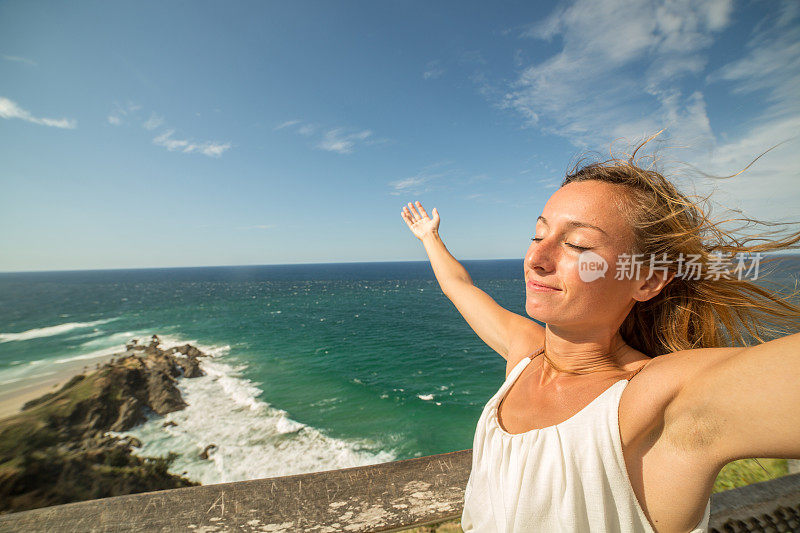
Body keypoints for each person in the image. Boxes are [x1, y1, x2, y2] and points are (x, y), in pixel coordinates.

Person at [400, 136, 800, 532]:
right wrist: (429, 236)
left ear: (646, 282)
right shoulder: (526, 354)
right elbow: (461, 288)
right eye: (538, 235)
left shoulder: (658, 401)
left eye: (577, 244)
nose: (537, 259)